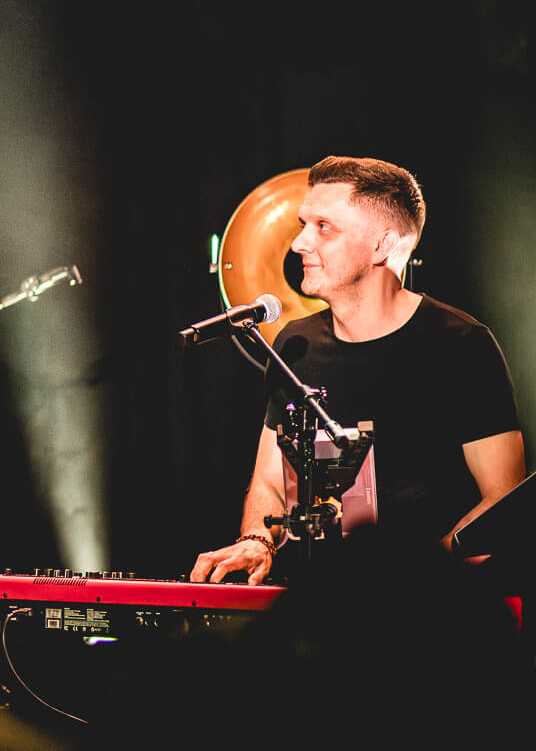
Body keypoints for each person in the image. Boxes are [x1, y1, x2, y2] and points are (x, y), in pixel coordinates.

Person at [191, 156, 524, 584]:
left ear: (383, 245)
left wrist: (418, 580)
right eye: (303, 225)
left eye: (324, 227)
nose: (299, 243)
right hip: (312, 603)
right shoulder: (295, 343)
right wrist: (257, 540)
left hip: (422, 606)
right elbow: (270, 482)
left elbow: (502, 501)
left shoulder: (461, 345)